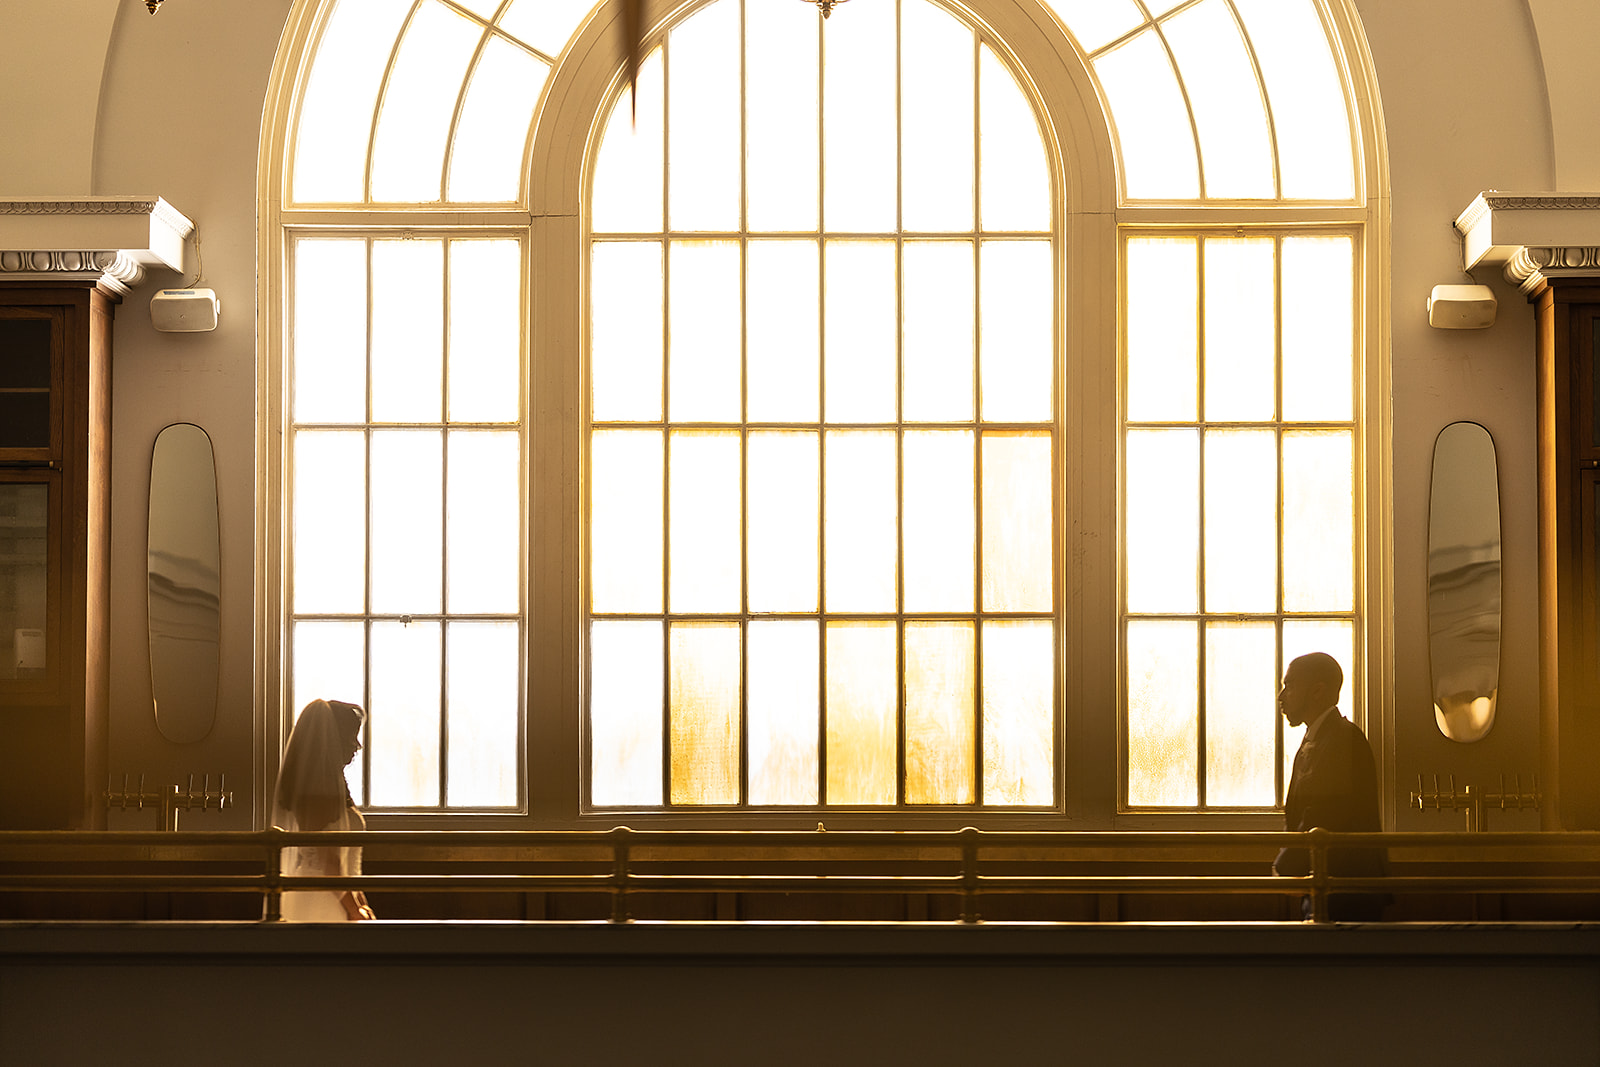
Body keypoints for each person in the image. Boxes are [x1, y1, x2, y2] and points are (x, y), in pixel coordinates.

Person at [1273, 652, 1389, 921]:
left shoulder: (1339, 740)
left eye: (1290, 686)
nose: (1282, 696)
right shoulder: (1327, 737)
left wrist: (1286, 866)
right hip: (1332, 882)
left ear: (1317, 691)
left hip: (1346, 889)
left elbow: (1323, 813)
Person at [270, 698, 375, 921]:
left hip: (339, 895)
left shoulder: (333, 787)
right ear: (335, 740)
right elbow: (328, 862)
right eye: (352, 737)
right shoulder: (318, 793)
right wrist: (354, 910)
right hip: (322, 898)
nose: (357, 745)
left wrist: (361, 904)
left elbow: (346, 868)